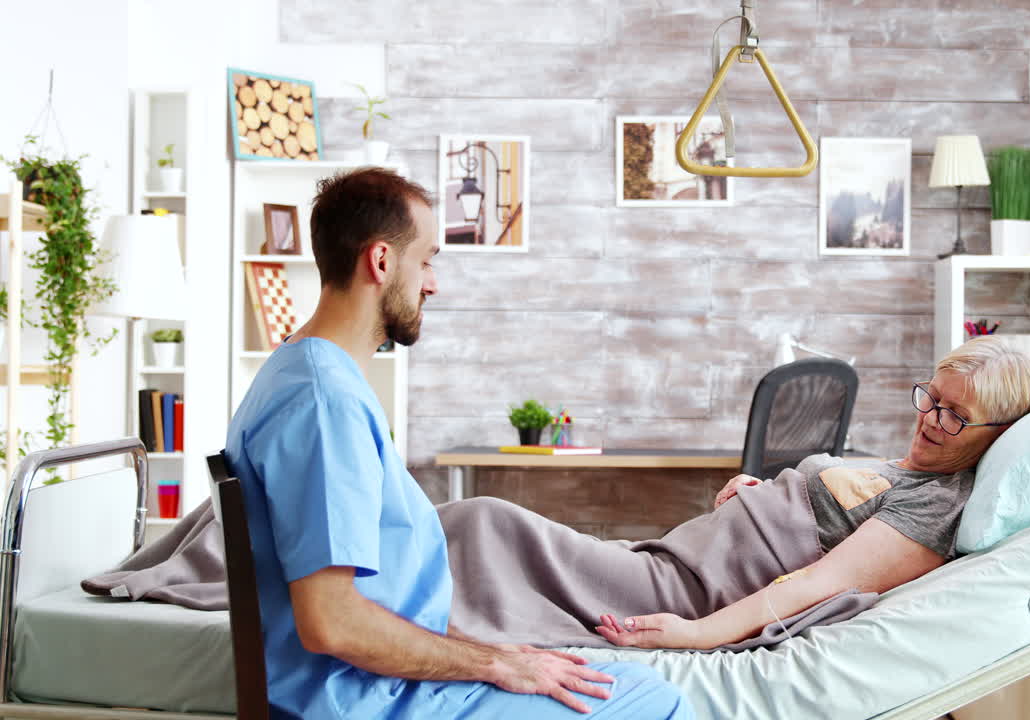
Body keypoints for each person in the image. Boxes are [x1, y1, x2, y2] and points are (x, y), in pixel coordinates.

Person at [223, 167, 692, 719]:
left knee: (616, 678)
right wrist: (495, 666)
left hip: (377, 687)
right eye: (426, 259)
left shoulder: (297, 371)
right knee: (649, 698)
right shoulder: (325, 402)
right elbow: (332, 621)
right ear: (380, 261)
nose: (432, 283)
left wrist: (485, 650)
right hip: (368, 700)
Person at [593, 336, 1030, 649]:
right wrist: (756, 497)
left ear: (997, 434)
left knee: (522, 538)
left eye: (955, 415)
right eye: (932, 397)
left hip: (691, 589)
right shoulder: (900, 467)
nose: (929, 418)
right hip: (676, 554)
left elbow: (821, 583)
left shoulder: (937, 502)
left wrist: (697, 633)